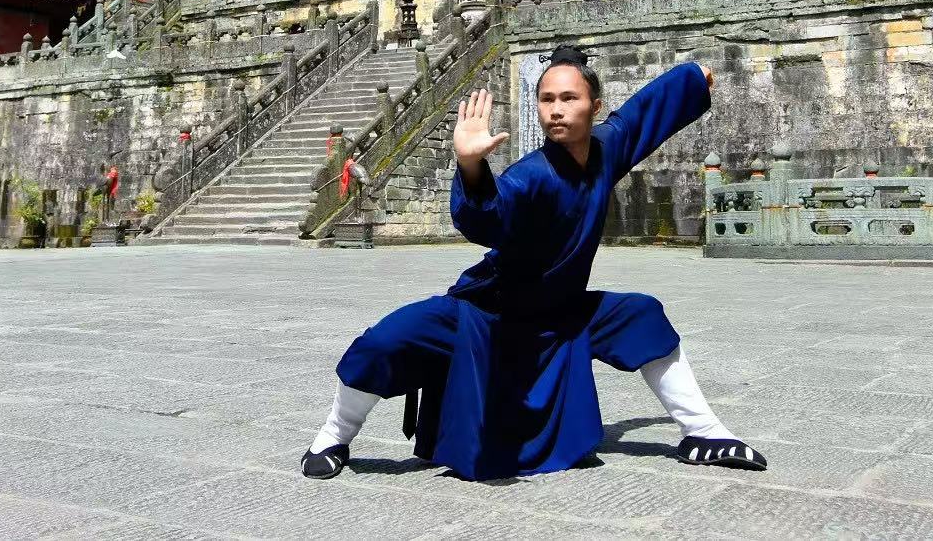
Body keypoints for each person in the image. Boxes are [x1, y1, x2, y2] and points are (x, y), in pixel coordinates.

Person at [300, 46, 765, 481]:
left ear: (595, 107)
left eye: (569, 98)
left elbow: (642, 113)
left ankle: (703, 432)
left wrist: (691, 77)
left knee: (640, 315)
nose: (556, 109)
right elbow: (489, 217)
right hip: (492, 313)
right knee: (387, 339)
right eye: (546, 99)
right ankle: (334, 435)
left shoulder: (609, 146)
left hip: (561, 314)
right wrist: (471, 167)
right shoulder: (532, 175)